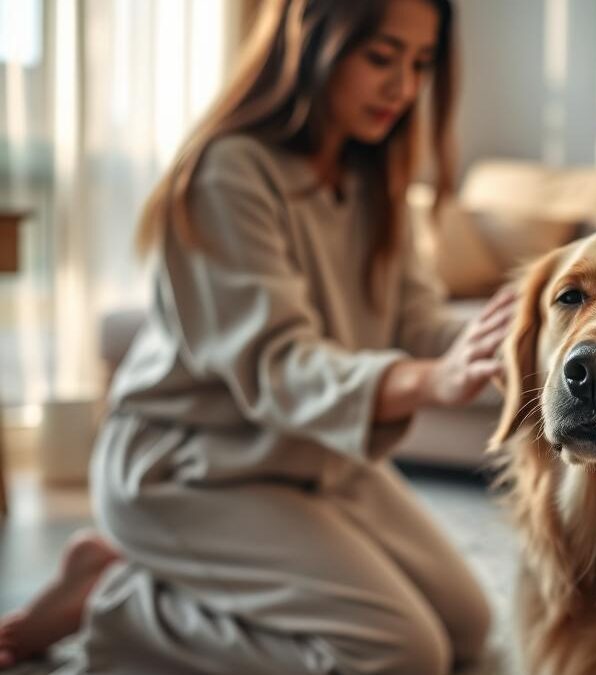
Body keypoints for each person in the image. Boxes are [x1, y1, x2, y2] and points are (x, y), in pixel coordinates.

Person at [0, 0, 513, 672]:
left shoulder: (375, 178)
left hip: (311, 456)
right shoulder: (228, 172)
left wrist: (517, 334)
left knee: (467, 629)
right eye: (381, 57)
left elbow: (419, 325)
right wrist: (435, 378)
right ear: (312, 42)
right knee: (400, 653)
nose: (404, 86)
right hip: (190, 468)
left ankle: (157, 579)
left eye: (420, 63)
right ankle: (115, 598)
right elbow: (280, 365)